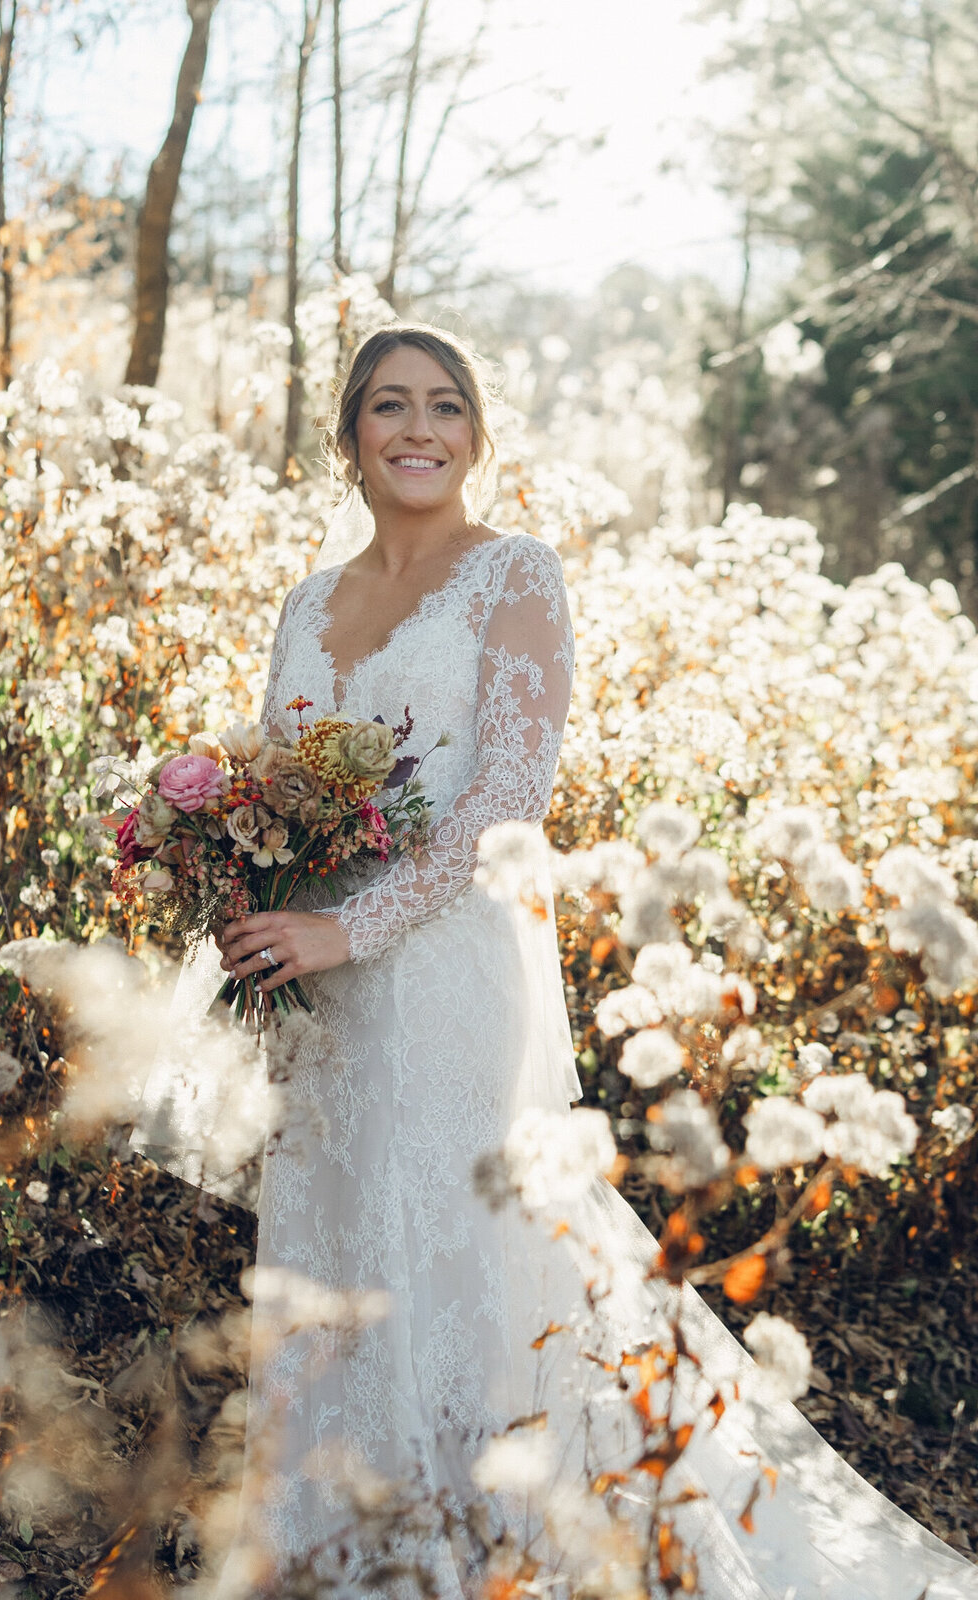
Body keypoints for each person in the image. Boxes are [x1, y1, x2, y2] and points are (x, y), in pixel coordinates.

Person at [181, 325, 978, 1598]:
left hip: (445, 970)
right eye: (390, 406)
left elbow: (507, 800)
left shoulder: (515, 577)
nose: (420, 429)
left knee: (465, 1236)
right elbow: (275, 779)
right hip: (316, 990)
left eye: (447, 406)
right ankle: (345, 1535)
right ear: (348, 436)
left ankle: (498, 1537)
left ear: (478, 435)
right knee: (335, 1226)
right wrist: (243, 877)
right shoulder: (304, 602)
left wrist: (354, 924)